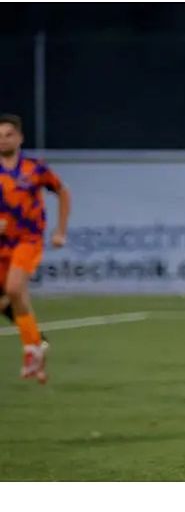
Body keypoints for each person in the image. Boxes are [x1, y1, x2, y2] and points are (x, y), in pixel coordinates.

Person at [0, 113, 71, 385]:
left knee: (15, 289)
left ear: (20, 138)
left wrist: (60, 230)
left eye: (9, 134)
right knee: (9, 299)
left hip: (27, 240)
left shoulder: (34, 168)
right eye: (0, 136)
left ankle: (31, 350)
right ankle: (36, 345)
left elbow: (63, 192)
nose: (4, 140)